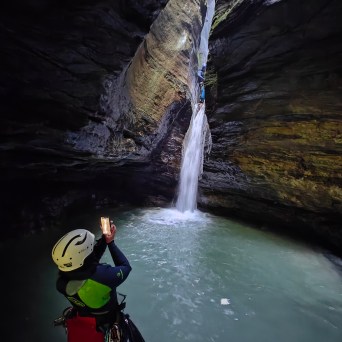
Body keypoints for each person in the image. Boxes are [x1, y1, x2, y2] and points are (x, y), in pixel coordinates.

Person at [52, 221, 143, 341]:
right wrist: (111, 243)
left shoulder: (61, 283)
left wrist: (104, 239)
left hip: (84, 322)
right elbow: (125, 266)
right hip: (107, 324)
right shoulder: (103, 277)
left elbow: (87, 264)